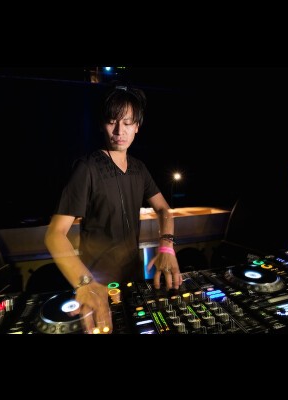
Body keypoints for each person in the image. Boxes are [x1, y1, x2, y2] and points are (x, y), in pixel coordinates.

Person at [44, 82, 182, 334]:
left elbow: (164, 210)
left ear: (137, 126)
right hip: (96, 287)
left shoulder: (139, 168)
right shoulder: (87, 168)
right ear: (102, 124)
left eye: (128, 122)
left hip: (132, 283)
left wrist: (166, 246)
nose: (120, 131)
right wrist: (84, 283)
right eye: (112, 121)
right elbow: (54, 234)